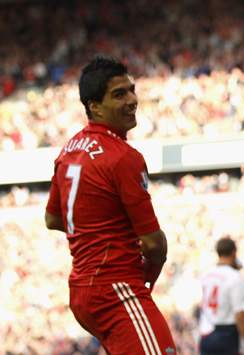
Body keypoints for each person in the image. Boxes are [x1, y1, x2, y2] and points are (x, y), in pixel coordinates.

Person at [45, 56, 177, 355]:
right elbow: (153, 243)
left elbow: (52, 218)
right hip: (116, 290)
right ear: (94, 106)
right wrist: (150, 273)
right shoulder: (123, 157)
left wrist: (98, 224)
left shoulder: (68, 150)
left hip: (81, 288)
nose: (132, 100)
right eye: (119, 94)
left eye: (132, 90)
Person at [199, 237, 244, 355]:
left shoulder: (207, 275)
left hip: (206, 332)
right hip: (226, 335)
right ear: (234, 252)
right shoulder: (235, 277)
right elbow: (240, 315)